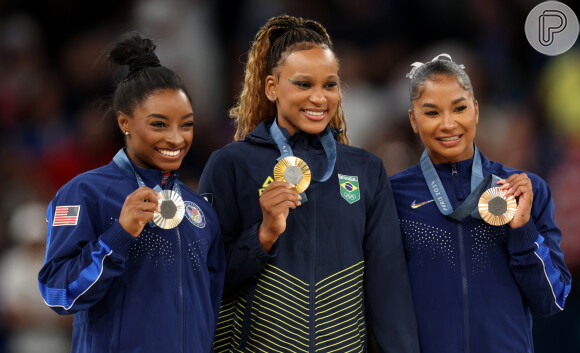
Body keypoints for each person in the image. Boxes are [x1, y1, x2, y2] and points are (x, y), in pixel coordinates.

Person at [199, 15, 419, 353]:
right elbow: (208, 280)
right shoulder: (231, 165)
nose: (319, 98)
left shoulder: (366, 170)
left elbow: (388, 287)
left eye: (329, 85)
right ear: (272, 87)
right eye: (303, 84)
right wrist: (264, 235)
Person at [37, 31, 225, 353]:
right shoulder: (85, 193)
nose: (176, 138)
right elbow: (57, 292)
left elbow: (215, 308)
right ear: (125, 122)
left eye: (186, 124)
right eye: (159, 124)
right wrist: (119, 234)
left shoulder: (200, 211)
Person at [389, 53, 572, 353]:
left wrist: (523, 229)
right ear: (413, 119)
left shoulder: (525, 189)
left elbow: (552, 300)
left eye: (459, 108)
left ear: (475, 110)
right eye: (432, 113)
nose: (448, 124)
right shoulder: (393, 195)